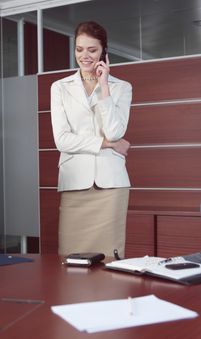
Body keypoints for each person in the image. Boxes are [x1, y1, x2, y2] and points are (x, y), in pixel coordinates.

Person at [51, 21, 132, 258]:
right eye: (79, 49)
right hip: (75, 182)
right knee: (70, 256)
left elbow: (115, 132)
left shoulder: (122, 87)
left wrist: (104, 86)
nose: (84, 56)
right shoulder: (60, 87)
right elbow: (62, 141)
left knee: (109, 257)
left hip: (111, 185)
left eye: (92, 50)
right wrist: (107, 144)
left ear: (103, 51)